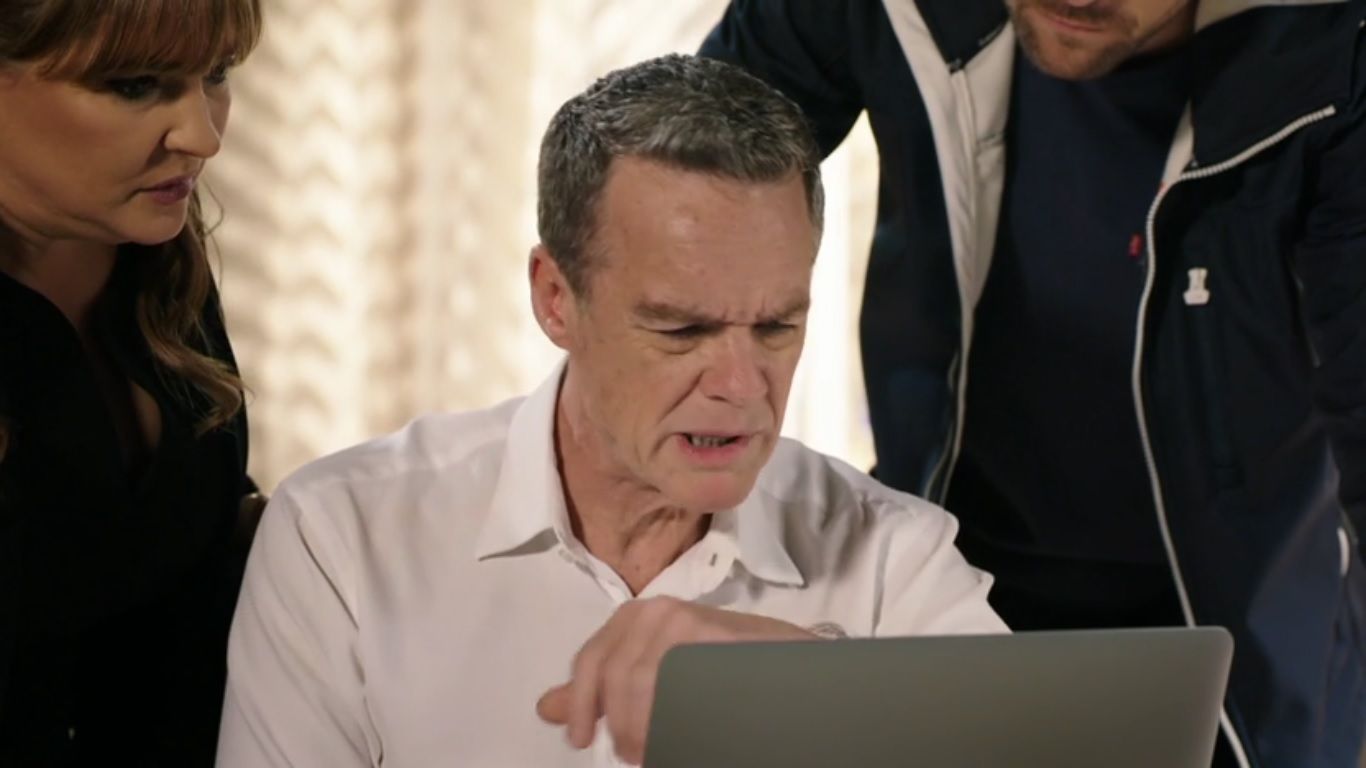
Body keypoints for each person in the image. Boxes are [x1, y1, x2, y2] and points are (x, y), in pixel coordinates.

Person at [215, 53, 1007, 767]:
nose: (742, 385)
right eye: (682, 330)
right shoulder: (344, 538)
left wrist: (805, 683)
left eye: (776, 327)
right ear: (555, 298)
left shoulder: (895, 561)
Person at [699, 0, 1366, 766]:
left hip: (1252, 663)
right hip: (935, 592)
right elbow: (664, 188)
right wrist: (655, 584)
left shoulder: (1335, 52)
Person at [0, 1, 264, 764]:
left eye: (216, 75)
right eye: (135, 85)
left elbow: (175, 552)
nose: (204, 136)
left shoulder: (152, 251)